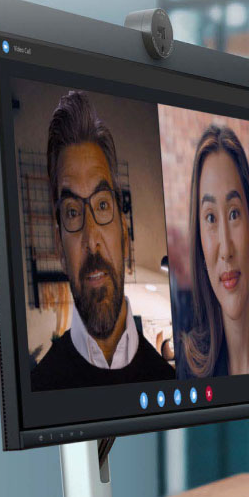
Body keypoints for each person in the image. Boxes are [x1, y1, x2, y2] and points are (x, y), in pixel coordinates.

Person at [31, 91, 174, 390]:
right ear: (59, 247)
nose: (91, 239)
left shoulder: (170, 383)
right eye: (72, 212)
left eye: (102, 206)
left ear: (124, 229)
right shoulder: (38, 392)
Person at [178, 125, 249, 378]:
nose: (226, 249)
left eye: (234, 213)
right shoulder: (187, 371)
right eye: (210, 218)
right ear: (200, 248)